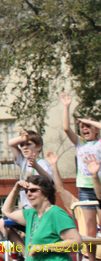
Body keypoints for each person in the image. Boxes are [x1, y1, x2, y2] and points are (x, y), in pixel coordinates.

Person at [60, 93, 101, 260]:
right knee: (90, 230)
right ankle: (91, 259)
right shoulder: (80, 143)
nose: (84, 129)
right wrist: (66, 107)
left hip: (100, 186)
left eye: (88, 127)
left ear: (96, 129)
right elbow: (65, 128)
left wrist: (89, 120)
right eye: (82, 127)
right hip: (85, 188)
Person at [2, 175, 82, 259]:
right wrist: (16, 189)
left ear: (46, 194)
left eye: (33, 190)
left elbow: (77, 243)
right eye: (26, 191)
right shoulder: (32, 214)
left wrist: (43, 247)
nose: (29, 194)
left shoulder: (56, 213)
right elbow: (7, 210)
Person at [9, 130, 53, 210]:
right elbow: (11, 144)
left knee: (3, 221)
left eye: (28, 144)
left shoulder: (42, 163)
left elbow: (49, 181)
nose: (25, 147)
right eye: (22, 145)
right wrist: (22, 138)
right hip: (26, 206)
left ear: (39, 147)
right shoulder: (23, 161)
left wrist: (36, 166)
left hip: (38, 207)